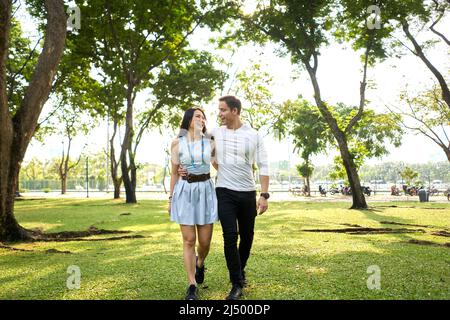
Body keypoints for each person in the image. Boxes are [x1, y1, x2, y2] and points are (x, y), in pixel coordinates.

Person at [181, 95, 270, 300]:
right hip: (224, 192)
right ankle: (236, 284)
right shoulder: (214, 133)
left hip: (248, 192)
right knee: (230, 236)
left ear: (234, 111)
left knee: (247, 237)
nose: (219, 114)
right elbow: (194, 144)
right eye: (218, 110)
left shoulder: (253, 135)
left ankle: (240, 271)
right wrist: (185, 169)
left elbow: (264, 165)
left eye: (222, 110)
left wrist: (264, 195)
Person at [169, 107, 218, 300]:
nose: (202, 119)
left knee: (204, 242)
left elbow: (218, 166)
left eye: (204, 117)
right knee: (189, 240)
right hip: (185, 191)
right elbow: (174, 173)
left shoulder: (210, 142)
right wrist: (171, 198)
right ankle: (191, 285)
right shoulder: (176, 143)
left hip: (206, 190)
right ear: (188, 119)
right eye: (198, 116)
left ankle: (200, 262)